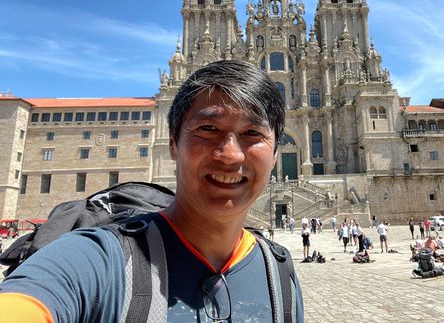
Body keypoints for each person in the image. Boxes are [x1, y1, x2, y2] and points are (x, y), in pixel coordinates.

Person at [0, 60, 304, 322]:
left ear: (276, 152)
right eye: (208, 129)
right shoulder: (102, 260)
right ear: (172, 143)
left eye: (252, 133)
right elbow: (36, 296)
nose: (230, 154)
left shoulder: (279, 278)